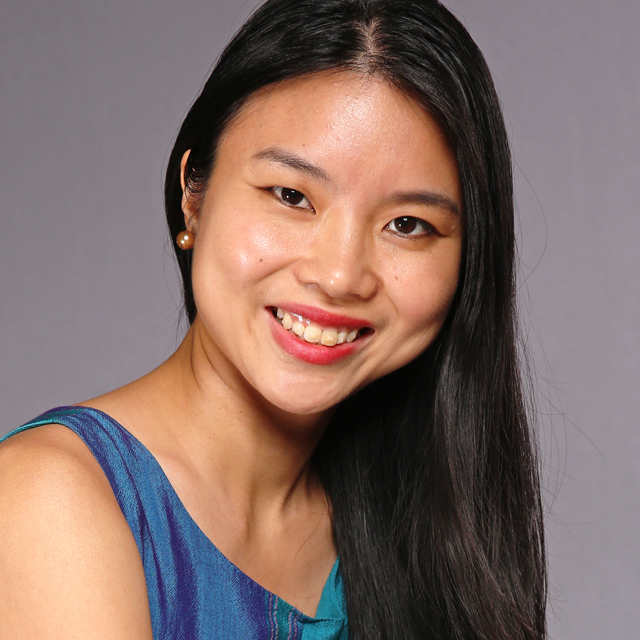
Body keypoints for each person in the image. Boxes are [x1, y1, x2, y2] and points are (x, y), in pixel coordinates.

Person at [0, 0, 547, 638]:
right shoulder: (52, 502)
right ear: (193, 194)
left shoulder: (423, 535)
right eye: (291, 195)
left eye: (407, 224)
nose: (339, 276)